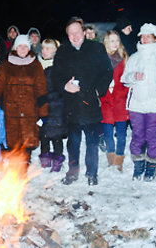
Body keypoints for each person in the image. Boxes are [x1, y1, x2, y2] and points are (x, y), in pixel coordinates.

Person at [51, 17, 112, 186]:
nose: (75, 37)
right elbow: (55, 76)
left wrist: (98, 90)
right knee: (73, 143)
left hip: (90, 103)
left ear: (84, 32)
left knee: (92, 142)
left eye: (77, 33)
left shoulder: (97, 49)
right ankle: (72, 172)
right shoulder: (62, 52)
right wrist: (64, 86)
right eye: (71, 34)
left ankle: (92, 173)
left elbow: (107, 72)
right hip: (71, 106)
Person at [120, 23, 156, 181]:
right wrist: (133, 77)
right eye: (142, 36)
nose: (144, 39)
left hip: (155, 105)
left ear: (155, 37)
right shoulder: (134, 57)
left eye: (148, 36)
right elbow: (124, 79)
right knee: (137, 136)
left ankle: (151, 167)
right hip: (136, 105)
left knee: (153, 137)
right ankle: (138, 166)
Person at [0, 35, 48, 166]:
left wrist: (44, 113)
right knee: (13, 143)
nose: (23, 49)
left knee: (27, 143)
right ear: (15, 47)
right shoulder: (6, 64)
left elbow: (42, 90)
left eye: (25, 46)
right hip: (12, 111)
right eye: (20, 46)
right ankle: (15, 168)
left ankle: (24, 169)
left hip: (30, 111)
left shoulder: (35, 64)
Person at [100, 30, 130, 171]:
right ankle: (111, 159)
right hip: (106, 102)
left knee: (122, 133)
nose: (115, 43)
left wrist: (122, 93)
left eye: (117, 40)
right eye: (112, 40)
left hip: (120, 102)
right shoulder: (100, 58)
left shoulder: (124, 59)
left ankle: (119, 161)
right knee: (107, 133)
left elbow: (128, 82)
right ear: (106, 42)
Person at [37, 38, 66, 172]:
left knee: (56, 134)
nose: (45, 51)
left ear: (55, 50)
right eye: (43, 48)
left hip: (56, 106)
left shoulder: (59, 66)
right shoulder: (37, 65)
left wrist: (47, 98)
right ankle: (45, 159)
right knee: (43, 133)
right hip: (42, 106)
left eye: (48, 48)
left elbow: (59, 88)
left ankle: (58, 159)